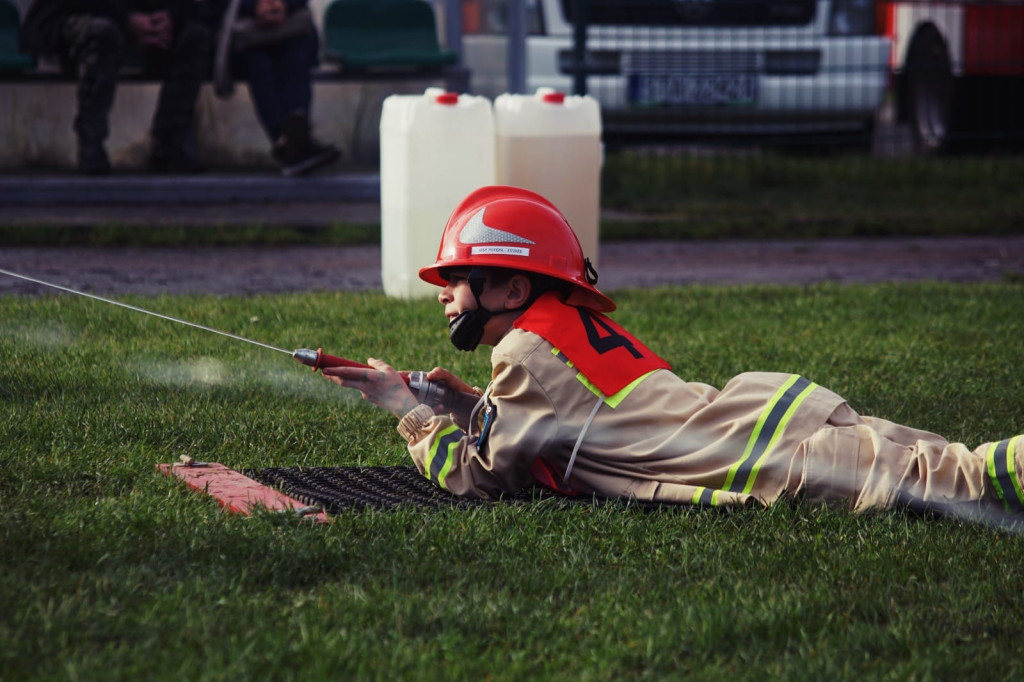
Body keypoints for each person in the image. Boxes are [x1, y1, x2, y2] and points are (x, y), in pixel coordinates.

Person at [322, 185, 1024, 522]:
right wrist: (472, 404)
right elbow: (572, 428)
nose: (445, 294)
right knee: (965, 463)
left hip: (777, 463)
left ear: (510, 284)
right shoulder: (553, 332)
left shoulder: (526, 354)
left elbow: (484, 481)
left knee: (978, 480)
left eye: (457, 278)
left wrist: (409, 413)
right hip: (786, 424)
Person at [19, 0, 211, 175]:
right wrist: (126, 19)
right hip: (70, 16)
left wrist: (170, 18)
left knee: (195, 37)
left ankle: (169, 146)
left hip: (136, 21)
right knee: (103, 33)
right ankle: (91, 146)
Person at [205, 0, 339, 176]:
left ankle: (292, 141)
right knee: (258, 65)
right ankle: (291, 142)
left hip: (289, 30)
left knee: (296, 58)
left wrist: (282, 5)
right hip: (244, 35)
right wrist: (254, 7)